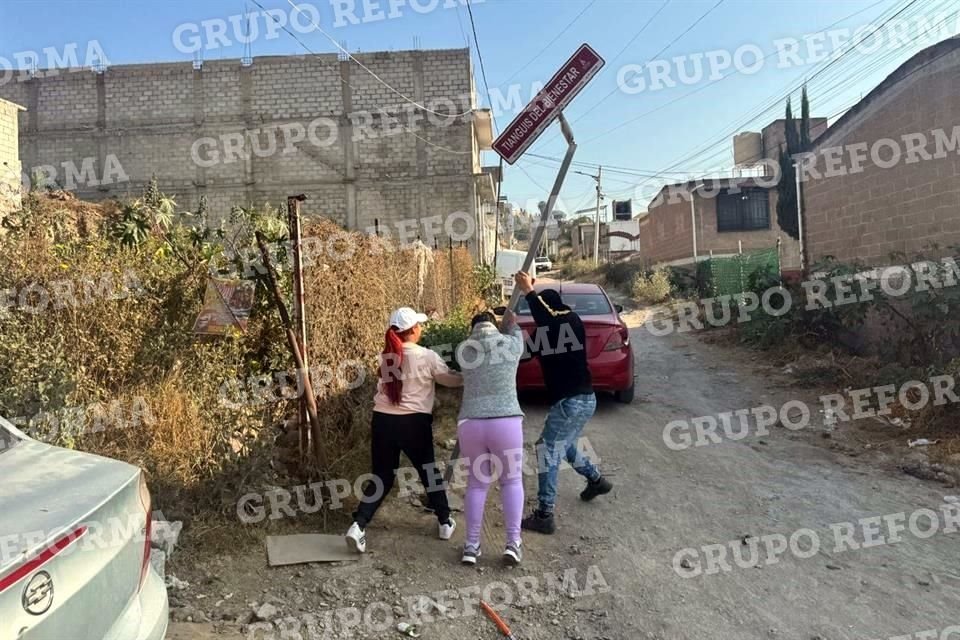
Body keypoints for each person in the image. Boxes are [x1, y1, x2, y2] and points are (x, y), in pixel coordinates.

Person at [345, 307, 462, 553]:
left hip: (382, 421)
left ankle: (358, 526)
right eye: (419, 325)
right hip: (413, 423)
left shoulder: (387, 357)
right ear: (414, 330)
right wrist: (468, 377)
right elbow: (448, 379)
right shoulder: (427, 356)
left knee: (383, 477)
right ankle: (444, 522)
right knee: (428, 472)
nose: (421, 328)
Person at [514, 271, 613, 535]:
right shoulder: (547, 331)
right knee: (564, 444)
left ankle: (545, 514)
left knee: (547, 451)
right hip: (582, 400)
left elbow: (549, 317)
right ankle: (596, 480)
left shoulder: (569, 321)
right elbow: (522, 354)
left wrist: (527, 291)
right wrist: (512, 330)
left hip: (572, 401)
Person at [455, 309, 526, 566]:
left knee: (476, 484)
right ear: (495, 326)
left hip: (471, 423)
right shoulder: (511, 344)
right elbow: (516, 332)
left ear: (471, 329)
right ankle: (512, 544)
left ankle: (471, 547)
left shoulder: (463, 350)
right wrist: (511, 324)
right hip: (505, 421)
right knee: (511, 481)